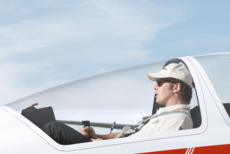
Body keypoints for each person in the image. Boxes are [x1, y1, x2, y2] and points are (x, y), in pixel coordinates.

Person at [37, 61, 195, 145]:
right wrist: (98, 136)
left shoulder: (178, 120)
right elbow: (131, 135)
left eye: (159, 82)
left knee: (55, 129)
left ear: (176, 87)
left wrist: (100, 144)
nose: (155, 86)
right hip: (110, 152)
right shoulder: (166, 115)